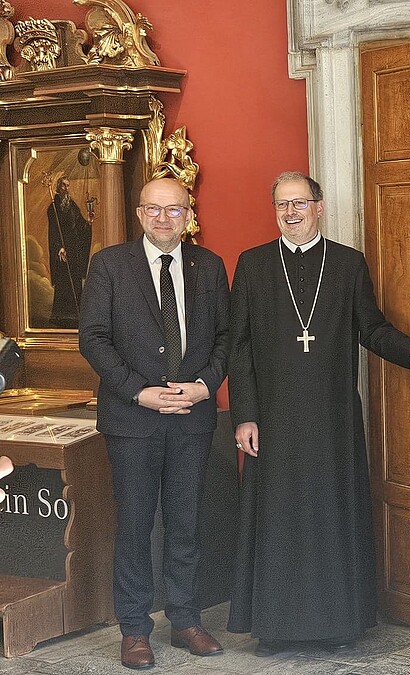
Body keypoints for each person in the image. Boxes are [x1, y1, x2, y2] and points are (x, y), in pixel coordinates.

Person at [226, 171, 410, 656]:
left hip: (332, 420)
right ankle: (277, 628)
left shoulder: (347, 264)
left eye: (299, 203)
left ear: (319, 206)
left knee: (331, 517)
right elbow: (238, 348)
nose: (290, 212)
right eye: (282, 204)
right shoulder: (254, 265)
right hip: (275, 421)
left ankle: (339, 623)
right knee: (279, 520)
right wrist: (244, 415)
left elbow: (371, 328)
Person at [79, 177, 229, 670]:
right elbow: (94, 338)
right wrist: (139, 392)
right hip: (132, 419)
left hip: (193, 416)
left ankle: (185, 620)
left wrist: (205, 386)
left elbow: (227, 337)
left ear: (189, 214)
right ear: (140, 214)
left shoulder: (208, 266)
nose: (165, 219)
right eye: (155, 210)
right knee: (136, 526)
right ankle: (135, 629)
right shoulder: (109, 264)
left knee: (186, 524)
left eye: (175, 210)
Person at [48, 176, 93, 328]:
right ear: (58, 187)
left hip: (74, 251)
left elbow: (80, 226)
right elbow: (54, 231)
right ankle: (60, 316)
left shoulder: (72, 205)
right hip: (63, 252)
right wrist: (59, 247)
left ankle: (76, 315)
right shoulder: (53, 208)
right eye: (63, 186)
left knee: (74, 281)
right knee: (63, 283)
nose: (66, 189)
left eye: (68, 186)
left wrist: (89, 222)